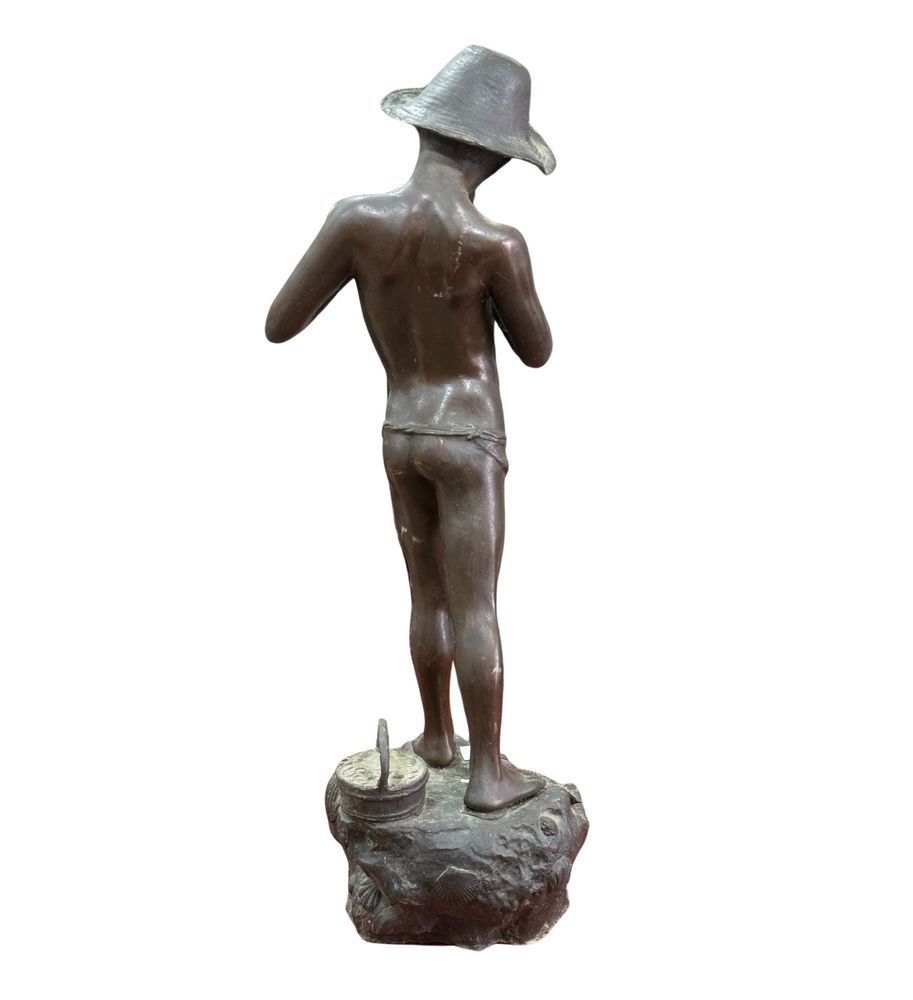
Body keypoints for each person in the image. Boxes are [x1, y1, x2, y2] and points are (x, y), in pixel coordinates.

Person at [265, 46, 555, 811]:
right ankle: (487, 773)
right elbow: (536, 350)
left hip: (400, 432)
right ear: (492, 155)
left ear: (424, 131)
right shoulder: (496, 243)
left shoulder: (356, 221)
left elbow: (280, 322)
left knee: (426, 596)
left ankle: (435, 736)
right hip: (468, 437)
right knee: (475, 604)